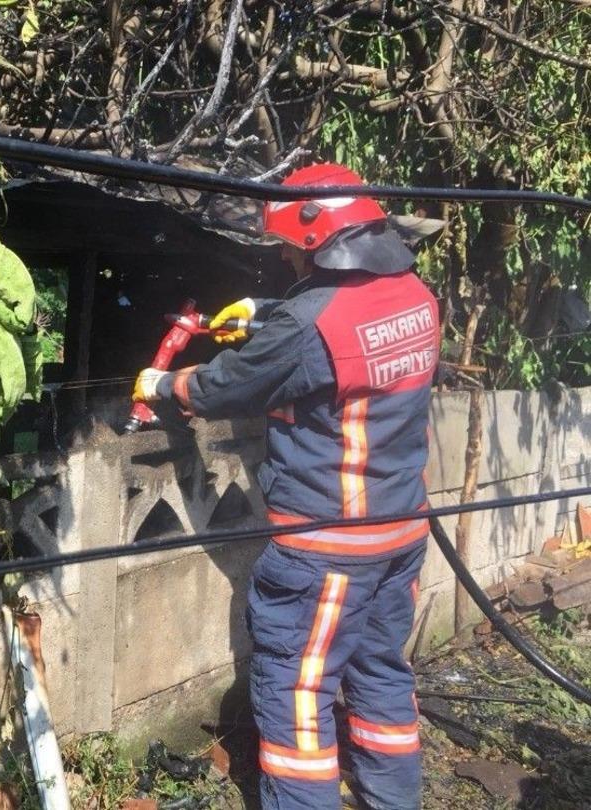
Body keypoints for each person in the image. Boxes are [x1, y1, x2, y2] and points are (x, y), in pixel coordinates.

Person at [133, 163, 440, 810]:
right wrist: (261, 314)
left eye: (289, 246)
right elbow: (341, 320)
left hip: (328, 548)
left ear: (317, 240)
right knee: (382, 672)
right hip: (402, 533)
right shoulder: (417, 296)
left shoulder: (309, 328)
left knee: (297, 691)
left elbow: (226, 387)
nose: (283, 257)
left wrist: (166, 385)